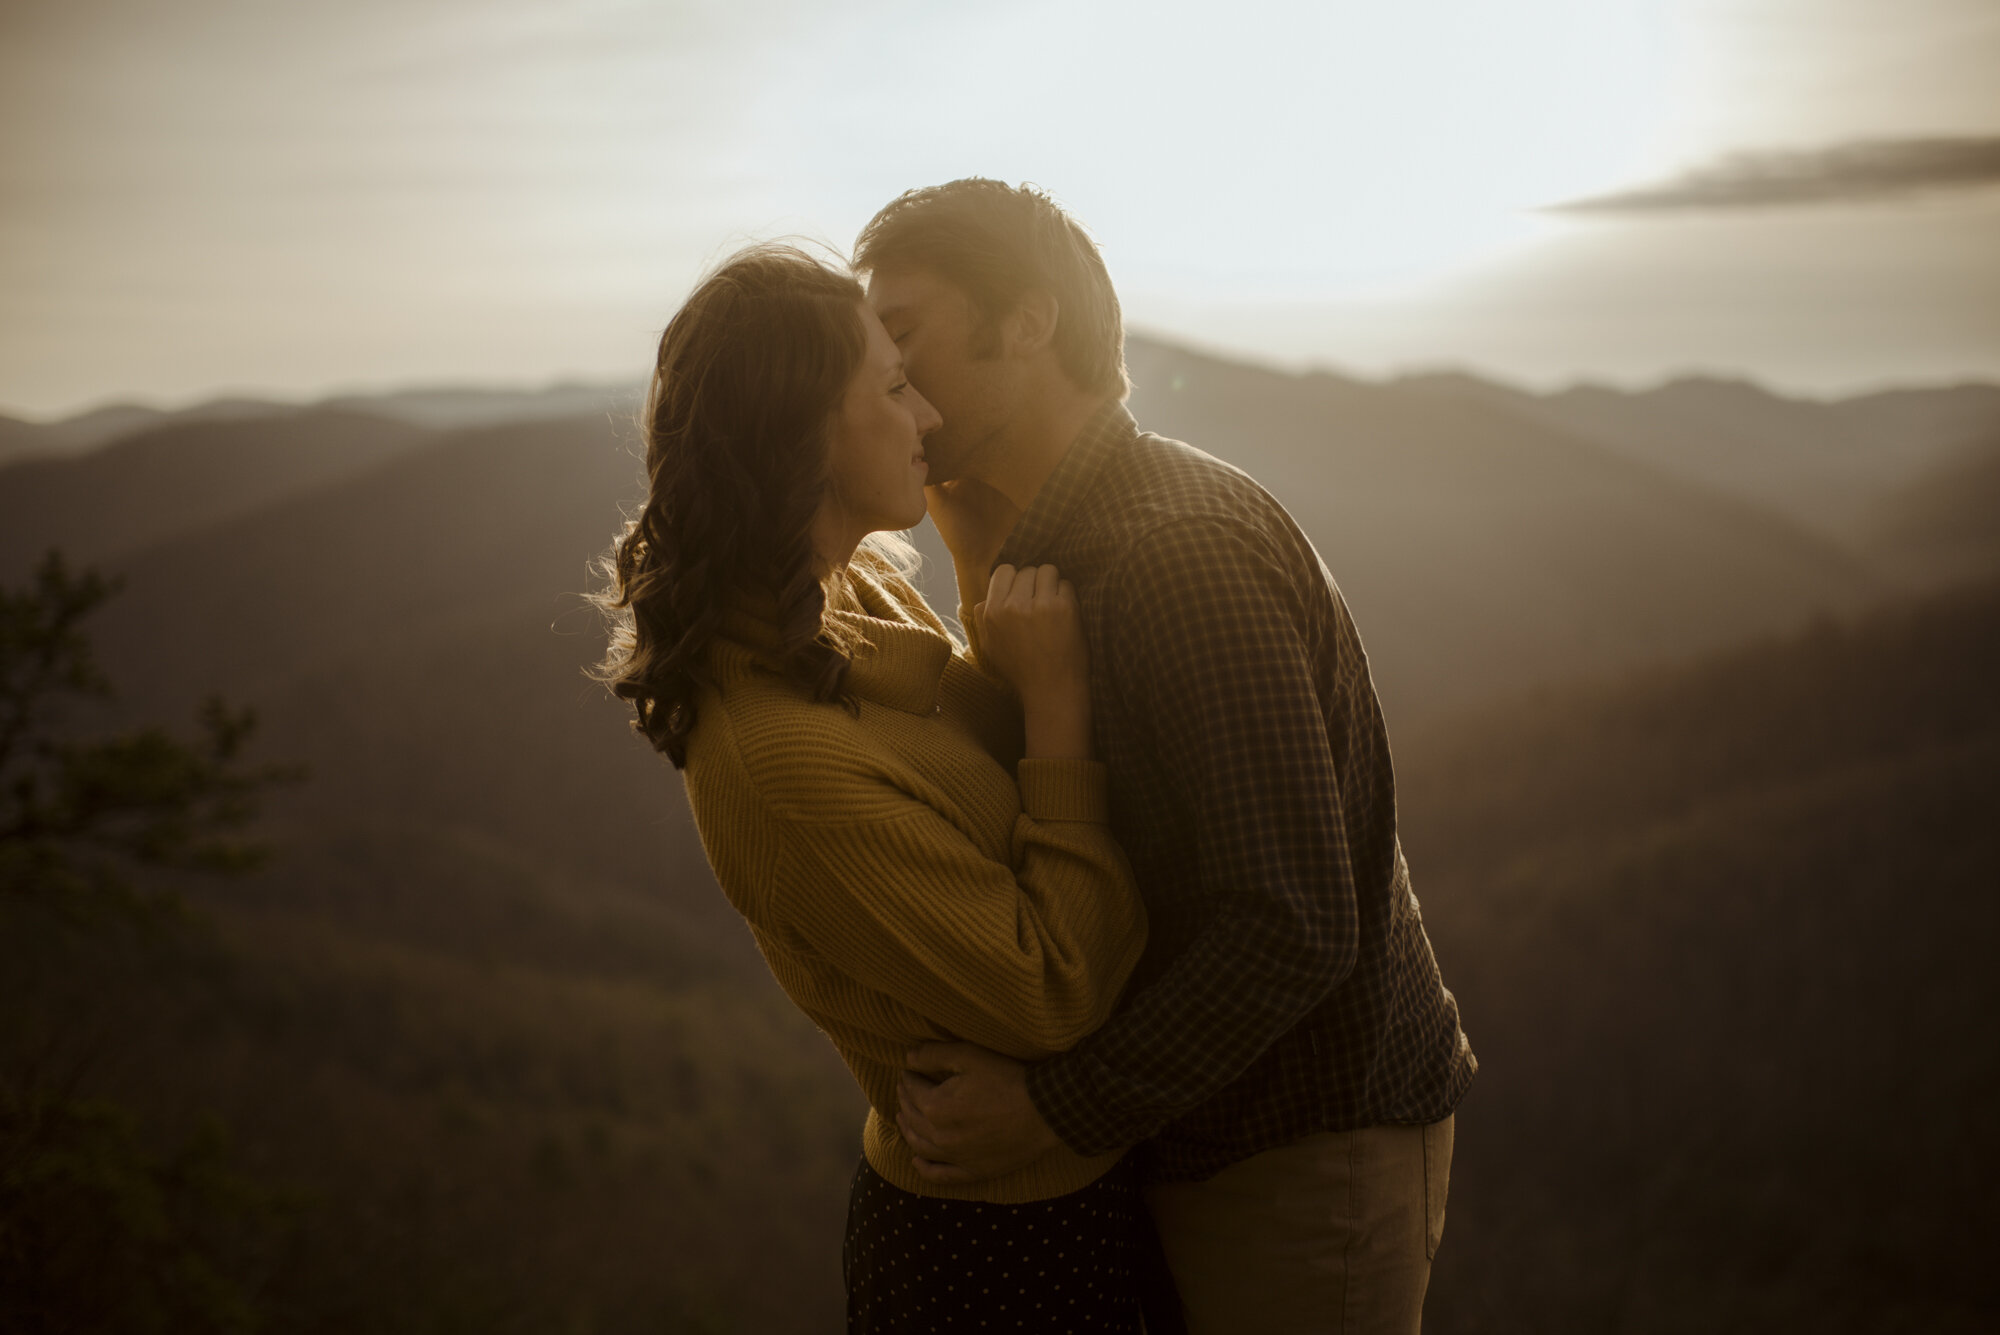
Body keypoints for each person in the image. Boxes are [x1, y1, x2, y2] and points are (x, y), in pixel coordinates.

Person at [856, 181, 1478, 1334]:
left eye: (902, 334)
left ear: (1029, 323)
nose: (886, 378)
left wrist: (1054, 1110)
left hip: (1300, 1151)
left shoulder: (1174, 556)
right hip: (1205, 1128)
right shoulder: (1059, 542)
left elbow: (1288, 921)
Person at [592, 243, 1160, 1332]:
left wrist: (979, 557)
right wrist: (1058, 706)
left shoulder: (841, 601)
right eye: (893, 388)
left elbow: (966, 766)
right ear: (805, 434)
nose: (929, 416)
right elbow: (1052, 992)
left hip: (1073, 1204)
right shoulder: (778, 763)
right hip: (994, 1259)